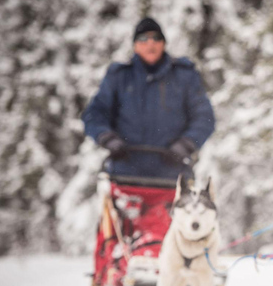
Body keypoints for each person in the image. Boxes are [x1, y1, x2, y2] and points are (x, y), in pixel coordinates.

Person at [82, 17, 215, 179]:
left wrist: (185, 145)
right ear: (135, 45)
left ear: (164, 43)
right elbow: (94, 113)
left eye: (156, 38)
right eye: (143, 39)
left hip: (173, 174)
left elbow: (204, 117)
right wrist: (109, 139)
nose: (150, 44)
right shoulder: (119, 76)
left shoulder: (184, 75)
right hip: (124, 174)